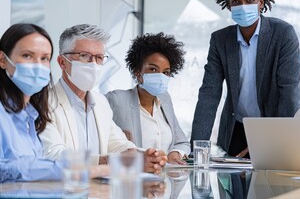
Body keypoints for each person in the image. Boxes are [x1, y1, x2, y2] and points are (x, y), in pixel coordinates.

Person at [191, 0, 300, 157]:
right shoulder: (220, 40)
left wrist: (274, 141)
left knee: (271, 185)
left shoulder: (283, 34)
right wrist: (196, 149)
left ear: (261, 2)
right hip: (236, 130)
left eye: (249, 0)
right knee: (232, 185)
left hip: (273, 128)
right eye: (236, 1)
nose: (243, 6)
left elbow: (289, 94)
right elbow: (209, 93)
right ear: (229, 6)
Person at [39, 24, 166, 174]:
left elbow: (118, 144)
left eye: (99, 58)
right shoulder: (43, 103)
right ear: (62, 62)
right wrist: (111, 161)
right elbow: (53, 155)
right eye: (84, 56)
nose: (93, 64)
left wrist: (144, 156)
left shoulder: (100, 103)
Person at [0, 23, 108, 182]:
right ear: (3, 60)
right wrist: (88, 169)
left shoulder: (31, 115)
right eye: (27, 56)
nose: (38, 65)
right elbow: (7, 169)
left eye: (44, 58)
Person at [106, 32, 190, 165]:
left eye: (166, 72)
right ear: (138, 73)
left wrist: (175, 153)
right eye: (153, 69)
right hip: (132, 179)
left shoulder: (165, 99)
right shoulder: (116, 100)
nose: (161, 76)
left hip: (164, 181)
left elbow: (182, 142)